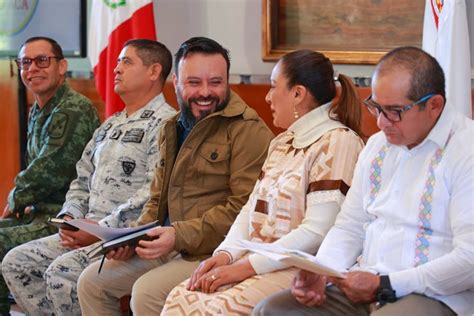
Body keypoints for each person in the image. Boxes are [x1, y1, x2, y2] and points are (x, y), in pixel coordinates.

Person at [253, 47, 474, 316]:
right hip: (364, 283)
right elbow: (350, 226)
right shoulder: (377, 147)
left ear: (434, 105)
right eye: (376, 107)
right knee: (273, 310)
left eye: (394, 111)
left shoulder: (465, 150)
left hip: (433, 294)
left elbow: (469, 259)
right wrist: (323, 271)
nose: (381, 122)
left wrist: (387, 285)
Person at [77, 36, 274, 315]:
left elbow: (244, 209)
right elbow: (157, 197)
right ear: (177, 84)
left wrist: (177, 236)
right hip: (167, 244)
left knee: (146, 292)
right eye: (194, 83)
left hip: (214, 251)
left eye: (216, 82)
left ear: (227, 82)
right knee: (92, 282)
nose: (205, 92)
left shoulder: (248, 130)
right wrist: (133, 239)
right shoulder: (172, 126)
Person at [161, 49, 365, 315]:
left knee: (218, 309)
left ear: (298, 94)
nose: (268, 97)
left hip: (297, 269)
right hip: (255, 260)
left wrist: (244, 267)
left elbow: (316, 233)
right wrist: (224, 255)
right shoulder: (282, 143)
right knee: (180, 297)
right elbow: (250, 209)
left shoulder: (338, 142)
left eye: (273, 87)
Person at [2, 39, 176, 315]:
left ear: (154, 71)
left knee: (62, 273)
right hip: (84, 230)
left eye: (126, 62)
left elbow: (152, 193)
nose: (116, 69)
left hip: (124, 236)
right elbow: (81, 179)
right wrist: (70, 217)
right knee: (17, 261)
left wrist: (99, 230)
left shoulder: (167, 124)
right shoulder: (111, 124)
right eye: (117, 61)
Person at [0, 36, 100, 315]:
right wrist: (22, 201)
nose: (32, 69)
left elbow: (49, 170)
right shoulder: (42, 107)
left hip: (68, 219)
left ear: (62, 66)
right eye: (25, 62)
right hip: (41, 211)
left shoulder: (72, 108)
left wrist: (16, 198)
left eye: (42, 60)